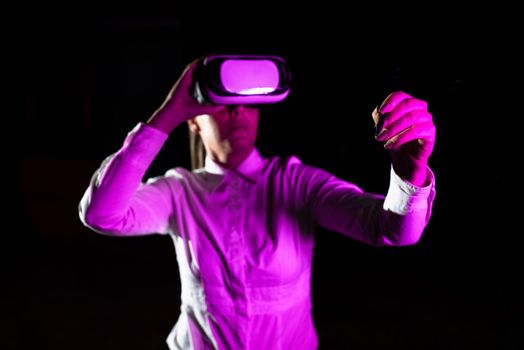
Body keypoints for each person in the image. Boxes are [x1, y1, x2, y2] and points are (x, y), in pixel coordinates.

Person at [79, 57, 437, 350]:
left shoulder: (296, 184)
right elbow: (101, 214)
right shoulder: (180, 192)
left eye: (248, 104)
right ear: (194, 121)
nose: (237, 114)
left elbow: (393, 230)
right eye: (223, 105)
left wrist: (409, 174)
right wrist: (169, 112)